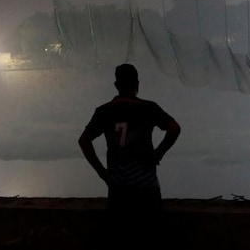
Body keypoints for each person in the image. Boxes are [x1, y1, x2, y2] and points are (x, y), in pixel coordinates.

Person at [78, 63, 181, 212]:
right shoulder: (148, 108)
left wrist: (103, 173)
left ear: (116, 85)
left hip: (118, 189)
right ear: (137, 84)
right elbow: (174, 128)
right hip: (146, 188)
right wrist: (158, 154)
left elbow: (84, 141)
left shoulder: (104, 111)